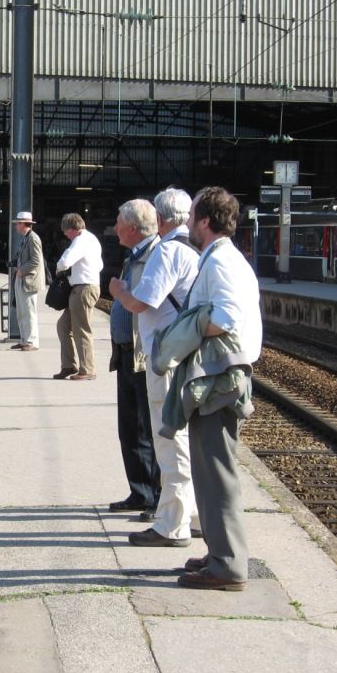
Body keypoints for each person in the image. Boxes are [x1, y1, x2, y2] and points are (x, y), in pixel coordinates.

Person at [156, 186, 262, 591]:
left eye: (192, 215)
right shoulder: (220, 258)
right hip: (218, 375)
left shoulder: (220, 263)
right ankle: (219, 551)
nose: (187, 224)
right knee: (208, 469)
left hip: (220, 377)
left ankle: (228, 566)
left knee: (216, 473)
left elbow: (226, 317)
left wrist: (191, 328)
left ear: (204, 220)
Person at [109, 189, 200, 546]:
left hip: (167, 359)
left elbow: (141, 302)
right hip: (185, 356)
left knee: (169, 438)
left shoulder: (168, 251)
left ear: (159, 220)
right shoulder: (196, 251)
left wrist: (118, 291)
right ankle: (190, 514)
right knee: (183, 440)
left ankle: (171, 524)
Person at [105, 199, 161, 513]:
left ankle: (155, 495)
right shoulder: (134, 254)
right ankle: (140, 492)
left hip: (144, 353)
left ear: (134, 228)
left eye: (118, 222)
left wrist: (118, 293)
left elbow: (143, 302)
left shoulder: (155, 255)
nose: (115, 228)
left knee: (148, 428)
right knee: (130, 427)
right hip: (126, 353)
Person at [53, 212, 103, 380]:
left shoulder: (80, 241)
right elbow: (100, 265)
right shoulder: (92, 239)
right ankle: (69, 365)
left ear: (71, 229)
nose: (65, 235)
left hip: (83, 289)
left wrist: (58, 268)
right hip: (82, 288)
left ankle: (88, 369)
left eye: (66, 231)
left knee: (81, 329)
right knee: (63, 326)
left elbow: (65, 261)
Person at [10, 211, 45, 351]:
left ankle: (31, 341)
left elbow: (36, 261)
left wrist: (21, 270)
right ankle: (24, 339)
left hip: (28, 280)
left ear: (23, 224)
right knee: (22, 311)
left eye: (17, 224)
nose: (16, 227)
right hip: (23, 279)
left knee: (29, 312)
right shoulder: (27, 237)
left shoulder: (33, 238)